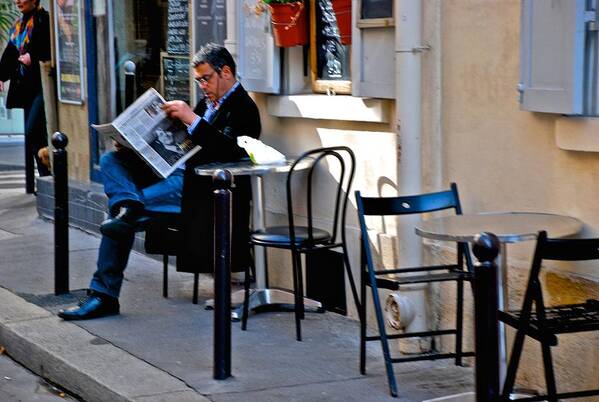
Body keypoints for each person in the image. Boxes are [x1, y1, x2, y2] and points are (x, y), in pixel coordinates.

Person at [58, 43, 261, 320]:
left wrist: (191, 118)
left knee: (119, 217)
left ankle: (103, 294)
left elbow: (234, 155)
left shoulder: (244, 108)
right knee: (111, 161)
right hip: (177, 176)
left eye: (206, 78)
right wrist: (134, 146)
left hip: (198, 191)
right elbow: (184, 146)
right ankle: (129, 204)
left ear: (225, 71)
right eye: (198, 80)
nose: (202, 85)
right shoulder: (208, 103)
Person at [0, 0, 51, 177]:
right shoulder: (19, 25)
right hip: (25, 87)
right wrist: (1, 76)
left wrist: (33, 57)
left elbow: (48, 49)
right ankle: (45, 177)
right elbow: (10, 53)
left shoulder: (43, 20)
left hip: (42, 86)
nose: (18, 1)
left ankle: (50, 171)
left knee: (33, 130)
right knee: (34, 135)